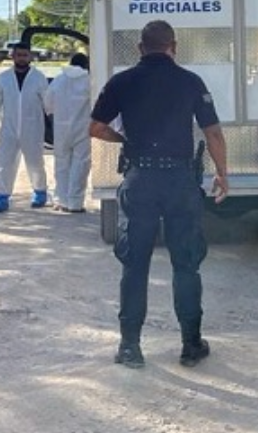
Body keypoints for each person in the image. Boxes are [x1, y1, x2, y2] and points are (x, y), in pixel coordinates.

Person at [89, 19, 229, 370]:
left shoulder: (121, 81)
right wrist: (223, 174)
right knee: (186, 264)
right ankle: (191, 344)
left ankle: (130, 347)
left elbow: (96, 128)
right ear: (174, 46)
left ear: (140, 48)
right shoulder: (190, 82)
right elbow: (212, 133)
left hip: (140, 180)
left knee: (135, 265)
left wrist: (125, 142)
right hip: (180, 181)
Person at [0, 42, 50, 213]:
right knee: (4, 163)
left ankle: (40, 192)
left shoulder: (39, 78)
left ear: (30, 56)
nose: (22, 58)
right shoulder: (3, 78)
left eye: (25, 55)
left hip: (33, 127)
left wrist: (55, 119)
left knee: (35, 162)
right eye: (18, 55)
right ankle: (1, 196)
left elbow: (48, 103)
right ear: (12, 56)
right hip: (8, 127)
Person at [44, 53, 91, 213]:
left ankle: (61, 200)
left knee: (61, 163)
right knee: (81, 163)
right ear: (86, 65)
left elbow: (48, 103)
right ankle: (75, 203)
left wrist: (54, 117)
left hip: (61, 128)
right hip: (83, 127)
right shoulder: (89, 81)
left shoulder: (59, 80)